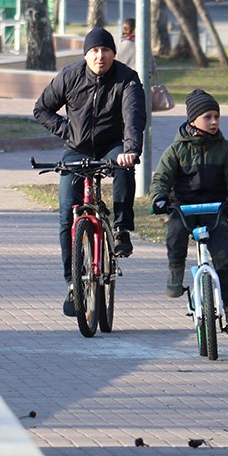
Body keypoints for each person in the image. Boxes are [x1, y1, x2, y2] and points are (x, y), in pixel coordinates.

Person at [33, 27, 147, 316]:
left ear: (113, 53)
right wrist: (67, 131)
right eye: (94, 51)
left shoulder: (127, 79)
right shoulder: (70, 76)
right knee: (65, 213)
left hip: (112, 146)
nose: (100, 56)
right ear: (86, 54)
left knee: (124, 168)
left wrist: (130, 149)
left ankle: (121, 229)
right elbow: (41, 109)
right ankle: (73, 283)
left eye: (105, 50)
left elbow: (134, 118)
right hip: (77, 148)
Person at [149, 89, 228, 337]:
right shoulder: (176, 150)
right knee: (175, 235)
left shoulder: (225, 149)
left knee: (225, 259)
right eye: (208, 116)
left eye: (217, 116)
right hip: (184, 208)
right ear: (193, 119)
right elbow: (161, 178)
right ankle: (175, 269)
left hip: (214, 210)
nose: (214, 121)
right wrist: (160, 197)